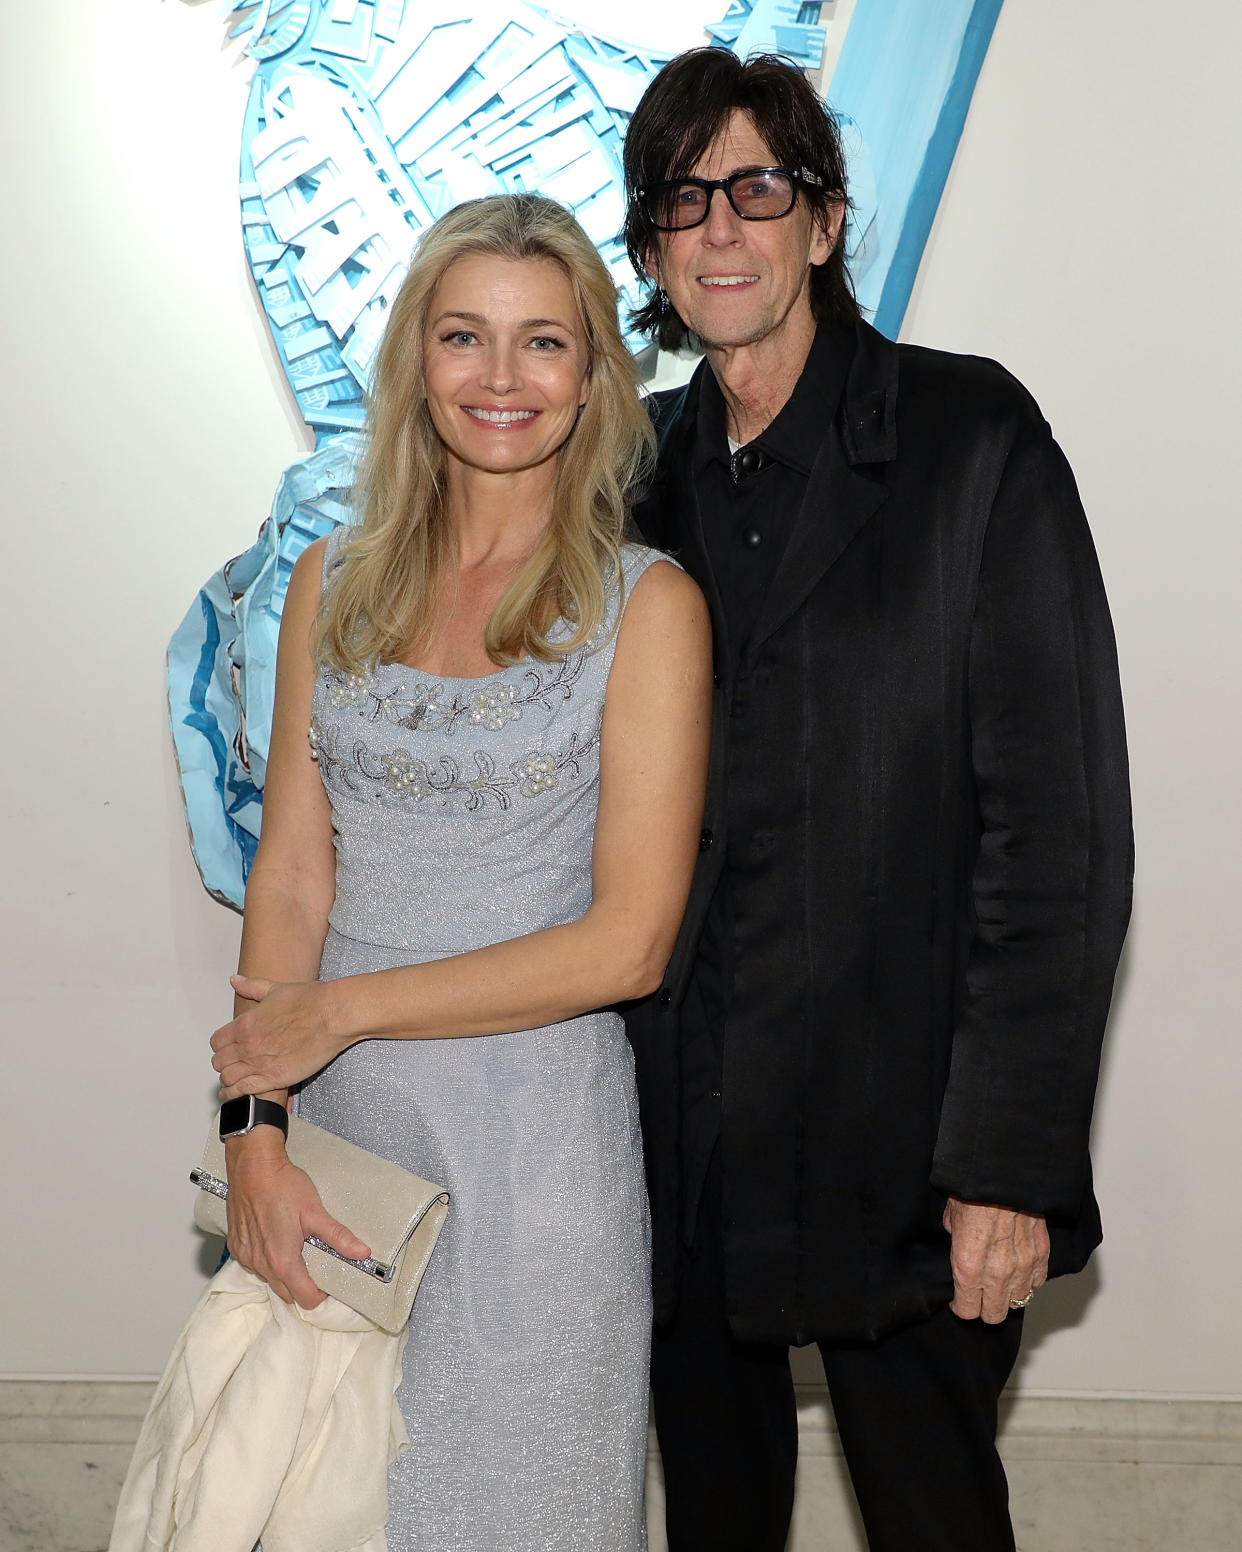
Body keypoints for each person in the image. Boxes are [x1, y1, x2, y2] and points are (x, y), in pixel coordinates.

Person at [620, 49, 1133, 1552]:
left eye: (756, 189)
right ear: (651, 247)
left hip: (905, 1146)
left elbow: (1060, 841)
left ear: (824, 224)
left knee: (932, 1522)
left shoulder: (971, 441)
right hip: (678, 1145)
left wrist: (1006, 1165)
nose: (720, 229)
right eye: (681, 199)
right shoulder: (623, 477)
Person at [207, 192, 712, 1550]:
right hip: (333, 1144)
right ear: (413, 362)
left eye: (542, 343)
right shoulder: (331, 582)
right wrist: (252, 1137)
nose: (500, 380)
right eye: (464, 338)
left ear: (595, 375)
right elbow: (294, 878)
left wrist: (343, 1011)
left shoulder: (644, 609)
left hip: (534, 1172)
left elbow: (627, 949)